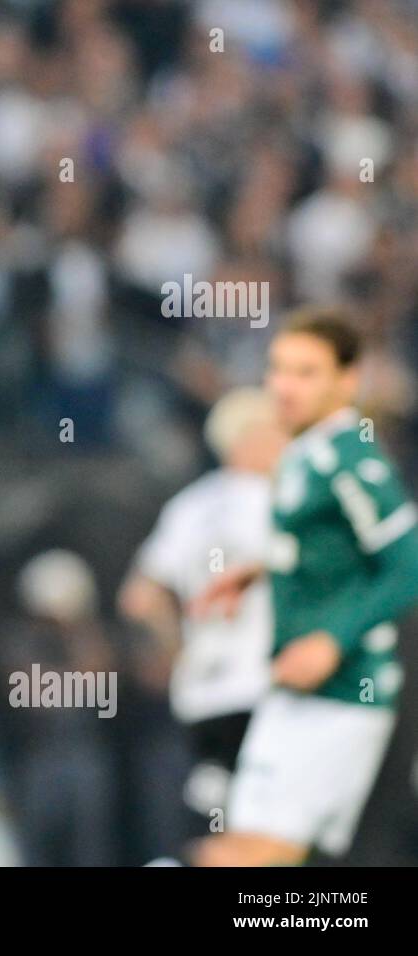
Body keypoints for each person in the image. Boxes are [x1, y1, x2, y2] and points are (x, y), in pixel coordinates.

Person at [191, 308, 418, 866]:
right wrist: (259, 569)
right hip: (292, 686)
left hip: (343, 690)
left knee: (261, 856)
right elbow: (330, 549)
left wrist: (330, 641)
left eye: (306, 372)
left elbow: (407, 564)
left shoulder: (353, 461)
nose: (285, 387)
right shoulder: (303, 455)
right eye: (278, 369)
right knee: (240, 843)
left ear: (347, 380)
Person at [119, 387, 286, 842]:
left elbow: (138, 596)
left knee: (216, 816)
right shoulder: (281, 498)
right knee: (273, 827)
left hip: (202, 691)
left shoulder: (190, 505)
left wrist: (179, 649)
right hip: (268, 683)